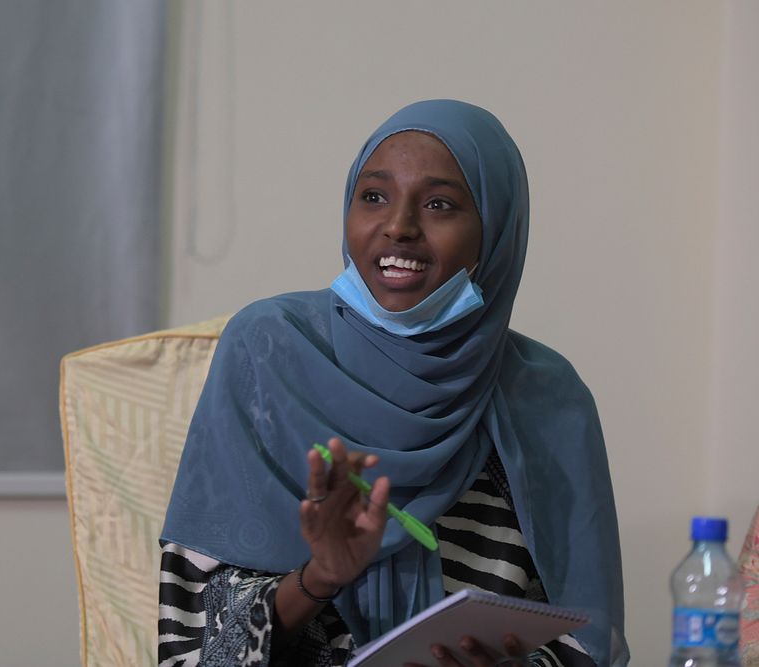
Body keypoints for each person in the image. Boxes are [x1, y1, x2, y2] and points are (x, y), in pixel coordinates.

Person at [158, 100, 628, 667]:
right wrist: (319, 577)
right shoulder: (268, 351)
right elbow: (193, 641)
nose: (399, 227)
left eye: (439, 204)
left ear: (496, 231)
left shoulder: (548, 398)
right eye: (374, 196)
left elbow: (583, 643)